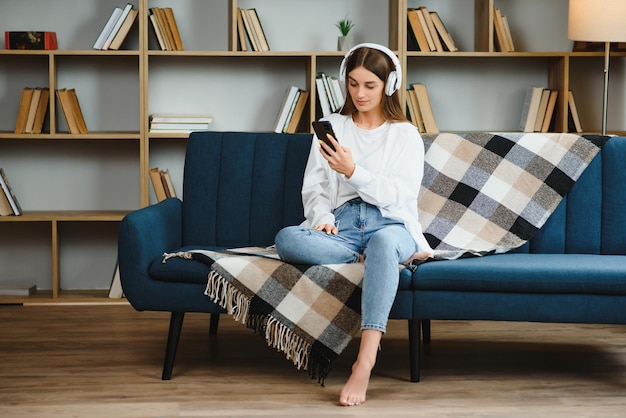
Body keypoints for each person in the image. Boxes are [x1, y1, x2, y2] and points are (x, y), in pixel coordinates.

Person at [274, 43, 433, 407]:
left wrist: (353, 171)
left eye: (369, 85)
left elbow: (398, 196)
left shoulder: (404, 134)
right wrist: (323, 219)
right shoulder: (334, 127)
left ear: (389, 85)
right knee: (286, 238)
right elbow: (313, 188)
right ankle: (367, 261)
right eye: (353, 84)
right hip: (343, 229)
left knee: (381, 245)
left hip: (390, 225)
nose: (359, 94)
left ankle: (365, 361)